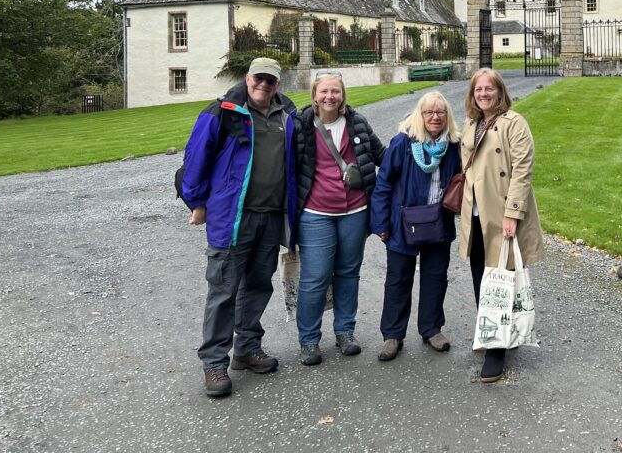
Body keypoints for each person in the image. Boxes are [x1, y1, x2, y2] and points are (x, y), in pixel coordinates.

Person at [181, 57, 298, 398]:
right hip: (232, 216)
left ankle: (247, 348)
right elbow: (195, 159)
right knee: (223, 290)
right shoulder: (221, 112)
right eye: (259, 78)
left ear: (278, 84)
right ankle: (214, 362)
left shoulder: (287, 115)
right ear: (247, 79)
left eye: (271, 81)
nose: (264, 84)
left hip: (271, 215)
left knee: (259, 285)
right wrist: (197, 203)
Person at [293, 70, 386, 366]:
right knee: (315, 277)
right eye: (324, 92)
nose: (330, 97)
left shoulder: (356, 122)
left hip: (355, 212)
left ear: (343, 94)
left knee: (348, 273)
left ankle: (345, 331)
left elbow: (384, 155)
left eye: (335, 91)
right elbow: (283, 164)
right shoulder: (300, 124)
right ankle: (309, 339)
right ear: (315, 95)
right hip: (316, 213)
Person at [458, 68, 544, 383]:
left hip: (502, 214)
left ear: (500, 91)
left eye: (489, 89)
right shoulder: (470, 123)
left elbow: (523, 169)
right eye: (478, 89)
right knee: (482, 277)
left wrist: (513, 212)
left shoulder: (514, 122)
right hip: (476, 215)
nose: (483, 94)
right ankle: (490, 331)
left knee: (499, 280)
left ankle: (496, 351)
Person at [369, 91, 462, 361]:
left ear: (448, 116)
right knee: (398, 279)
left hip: (438, 222)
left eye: (441, 112)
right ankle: (392, 335)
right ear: (419, 116)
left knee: (435, 277)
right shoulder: (403, 143)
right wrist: (381, 223)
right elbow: (383, 183)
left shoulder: (453, 145)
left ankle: (431, 329)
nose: (435, 117)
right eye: (429, 112)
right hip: (402, 223)